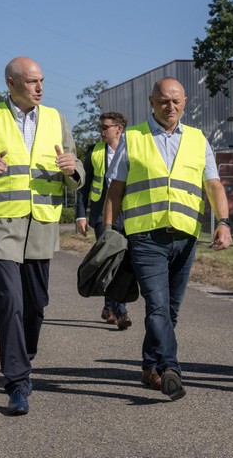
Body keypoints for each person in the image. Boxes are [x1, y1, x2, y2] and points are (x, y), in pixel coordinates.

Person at [0, 56, 83, 416]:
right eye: (31, 82)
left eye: (41, 80)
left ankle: (23, 358)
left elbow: (77, 170)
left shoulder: (57, 119)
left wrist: (74, 169)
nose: (39, 87)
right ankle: (17, 382)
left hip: (41, 223)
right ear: (11, 83)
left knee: (36, 304)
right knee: (9, 299)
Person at [102, 77, 232, 401]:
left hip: (185, 237)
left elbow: (213, 185)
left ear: (185, 102)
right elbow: (115, 190)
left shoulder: (199, 140)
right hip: (145, 236)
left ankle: (149, 365)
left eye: (175, 101)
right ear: (151, 101)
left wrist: (224, 223)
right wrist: (107, 233)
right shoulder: (132, 138)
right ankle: (171, 369)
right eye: (163, 101)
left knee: (170, 311)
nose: (169, 106)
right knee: (157, 306)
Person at [75, 111, 131, 330]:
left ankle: (110, 306)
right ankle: (121, 310)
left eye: (105, 127)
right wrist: (81, 215)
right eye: (100, 128)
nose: (101, 131)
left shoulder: (132, 149)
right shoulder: (95, 152)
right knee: (110, 258)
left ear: (119, 128)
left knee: (124, 262)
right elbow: (83, 188)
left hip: (128, 215)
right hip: (101, 216)